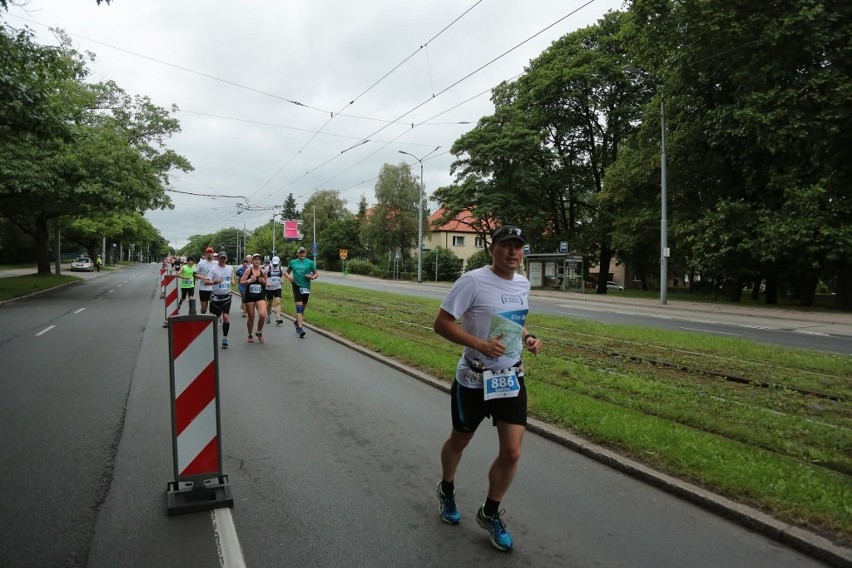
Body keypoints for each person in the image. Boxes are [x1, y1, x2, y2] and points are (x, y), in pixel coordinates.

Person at [432, 225, 543, 552]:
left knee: (512, 452)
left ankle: (489, 512)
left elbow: (514, 320)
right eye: (506, 246)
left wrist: (527, 337)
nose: (513, 253)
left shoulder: (523, 283)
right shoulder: (472, 282)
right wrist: (479, 343)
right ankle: (447, 488)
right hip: (474, 378)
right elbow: (441, 324)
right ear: (491, 248)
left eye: (518, 247)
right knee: (460, 439)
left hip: (510, 377)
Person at [285, 246, 318, 338]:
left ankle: (297, 322)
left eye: (303, 252)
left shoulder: (310, 263)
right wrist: (289, 277)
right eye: (300, 252)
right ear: (297, 254)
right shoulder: (293, 262)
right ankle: (300, 327)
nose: (302, 254)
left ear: (305, 253)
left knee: (303, 307)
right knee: (299, 306)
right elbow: (286, 272)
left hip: (306, 287)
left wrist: (312, 277)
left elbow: (316, 274)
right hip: (296, 285)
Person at [205, 251, 234, 348]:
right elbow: (206, 282)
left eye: (224, 258)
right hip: (216, 298)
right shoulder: (213, 269)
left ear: (227, 259)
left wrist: (232, 281)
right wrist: (215, 282)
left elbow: (231, 278)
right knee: (215, 318)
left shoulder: (230, 268)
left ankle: (225, 338)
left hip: (227, 297)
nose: (222, 260)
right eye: (221, 258)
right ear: (218, 259)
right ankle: (211, 337)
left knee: (226, 317)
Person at [239, 253, 268, 343]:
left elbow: (266, 283)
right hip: (250, 297)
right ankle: (250, 334)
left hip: (260, 296)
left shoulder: (262, 272)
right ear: (252, 261)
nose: (257, 261)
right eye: (255, 259)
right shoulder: (248, 270)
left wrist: (263, 281)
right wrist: (249, 280)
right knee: (251, 317)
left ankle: (259, 332)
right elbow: (241, 282)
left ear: (260, 261)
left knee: (263, 315)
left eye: (258, 259)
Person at [194, 247, 216, 314]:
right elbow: (194, 274)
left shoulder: (216, 263)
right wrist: (201, 277)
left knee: (213, 309)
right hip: (203, 289)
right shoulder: (201, 263)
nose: (209, 254)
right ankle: (202, 321)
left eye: (211, 252)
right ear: (205, 254)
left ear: (213, 254)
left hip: (214, 289)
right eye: (208, 252)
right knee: (204, 309)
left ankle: (213, 321)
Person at [264, 256, 285, 325]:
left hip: (277, 287)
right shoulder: (268, 268)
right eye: (274, 264)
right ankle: (268, 315)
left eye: (276, 264)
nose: (275, 265)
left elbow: (282, 275)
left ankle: (278, 318)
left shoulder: (280, 268)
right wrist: (266, 282)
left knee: (278, 302)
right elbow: (264, 276)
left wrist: (282, 280)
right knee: (269, 302)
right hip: (269, 288)